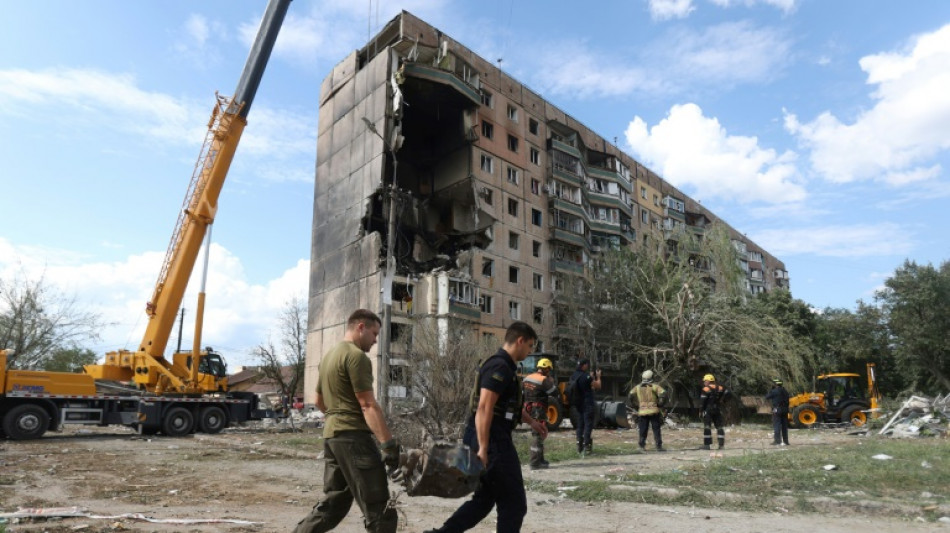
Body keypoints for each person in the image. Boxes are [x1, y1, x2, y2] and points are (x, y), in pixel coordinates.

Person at [425, 322, 546, 533]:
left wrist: (533, 422)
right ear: (520, 341)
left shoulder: (506, 366)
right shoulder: (499, 366)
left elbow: (506, 407)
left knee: (484, 499)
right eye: (529, 346)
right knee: (514, 503)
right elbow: (483, 408)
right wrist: (483, 448)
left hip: (491, 436)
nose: (529, 352)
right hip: (492, 439)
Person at [294, 309, 400, 533]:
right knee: (379, 509)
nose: (375, 340)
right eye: (374, 333)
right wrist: (388, 445)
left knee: (334, 503)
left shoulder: (329, 357)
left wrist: (337, 417)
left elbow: (319, 401)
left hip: (332, 438)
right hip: (354, 440)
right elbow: (368, 405)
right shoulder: (356, 357)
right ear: (360, 327)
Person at [522, 357, 558, 469]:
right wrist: (551, 381)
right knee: (538, 434)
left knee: (539, 433)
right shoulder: (543, 380)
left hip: (528, 409)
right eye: (549, 369)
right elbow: (555, 393)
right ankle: (535, 462)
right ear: (546, 368)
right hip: (539, 410)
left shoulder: (527, 378)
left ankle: (540, 459)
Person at [569, 358, 601, 455]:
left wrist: (590, 377)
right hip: (587, 403)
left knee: (580, 424)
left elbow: (585, 386)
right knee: (588, 424)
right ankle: (587, 447)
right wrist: (598, 377)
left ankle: (579, 446)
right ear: (584, 365)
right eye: (587, 364)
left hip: (578, 404)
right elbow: (598, 386)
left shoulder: (574, 375)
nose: (588, 366)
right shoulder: (585, 376)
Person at [630, 370, 667, 452]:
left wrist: (636, 406)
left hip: (642, 412)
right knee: (656, 429)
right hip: (654, 411)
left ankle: (641, 446)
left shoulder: (637, 387)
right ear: (652, 377)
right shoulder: (654, 386)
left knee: (643, 429)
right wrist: (660, 404)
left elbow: (631, 395)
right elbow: (664, 394)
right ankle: (658, 446)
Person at [700, 373, 728, 450]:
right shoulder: (721, 388)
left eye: (705, 381)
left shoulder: (705, 389)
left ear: (708, 381)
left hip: (708, 410)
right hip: (717, 409)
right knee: (719, 427)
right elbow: (728, 394)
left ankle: (707, 445)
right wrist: (723, 401)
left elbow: (702, 402)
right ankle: (721, 445)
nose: (704, 383)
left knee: (707, 427)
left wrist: (700, 411)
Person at [765, 378, 790, 446]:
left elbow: (767, 397)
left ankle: (777, 441)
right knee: (784, 426)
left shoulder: (774, 391)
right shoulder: (785, 391)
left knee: (777, 425)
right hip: (785, 410)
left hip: (777, 410)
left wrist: (771, 390)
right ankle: (786, 441)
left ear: (776, 384)